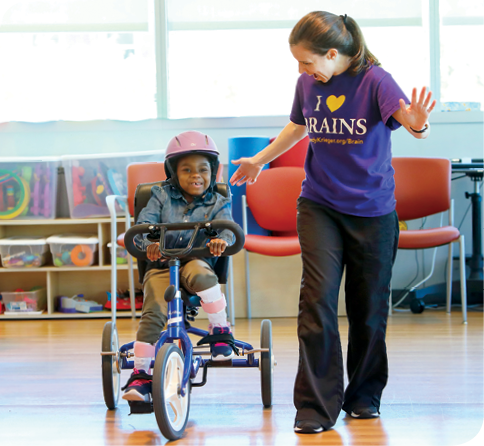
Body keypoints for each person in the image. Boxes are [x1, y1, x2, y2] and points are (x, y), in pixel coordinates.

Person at [230, 11, 436, 434]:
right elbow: (297, 126)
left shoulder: (377, 81)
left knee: (368, 309)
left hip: (373, 211)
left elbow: (411, 123)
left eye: (306, 61)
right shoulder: (308, 83)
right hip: (319, 204)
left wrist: (419, 125)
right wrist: (258, 162)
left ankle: (363, 397)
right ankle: (316, 406)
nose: (301, 70)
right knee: (317, 301)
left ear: (331, 54)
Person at [122, 130, 236, 403]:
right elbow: (141, 227)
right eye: (186, 169)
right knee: (153, 313)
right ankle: (140, 375)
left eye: (203, 169)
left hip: (196, 261)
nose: (196, 175)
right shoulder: (160, 196)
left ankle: (220, 328)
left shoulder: (218, 201)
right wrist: (147, 240)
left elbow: (229, 232)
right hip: (162, 265)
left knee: (202, 274)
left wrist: (221, 239)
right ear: (173, 172)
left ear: (213, 172)